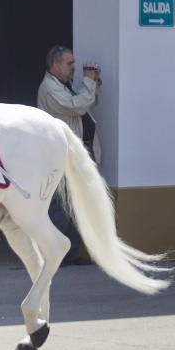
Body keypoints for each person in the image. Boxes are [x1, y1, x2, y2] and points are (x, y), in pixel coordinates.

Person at [37, 45, 102, 264]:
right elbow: (77, 107)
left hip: (77, 154)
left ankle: (70, 253)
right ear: (55, 65)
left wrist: (94, 83)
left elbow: (87, 101)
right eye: (69, 63)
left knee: (77, 205)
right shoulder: (49, 88)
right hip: (63, 157)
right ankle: (54, 254)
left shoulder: (64, 86)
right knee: (61, 207)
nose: (74, 67)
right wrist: (89, 81)